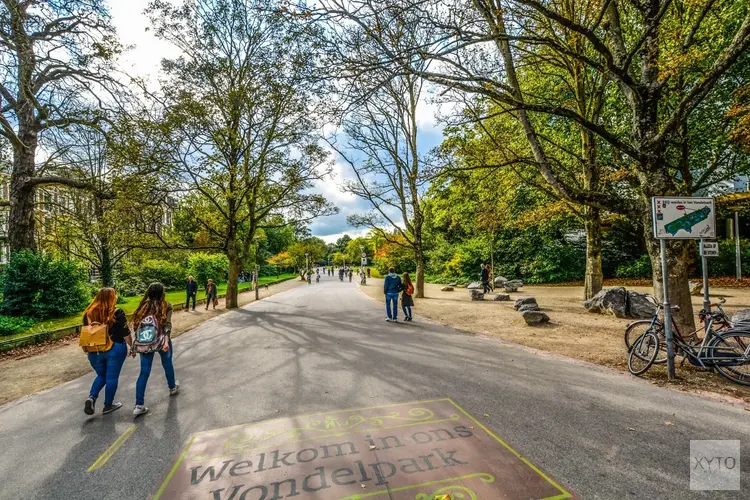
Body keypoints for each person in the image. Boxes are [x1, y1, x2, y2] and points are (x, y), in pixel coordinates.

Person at [131, 283, 179, 417]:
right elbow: (167, 325)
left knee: (144, 372)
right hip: (162, 339)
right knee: (167, 364)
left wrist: (136, 344)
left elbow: (136, 326)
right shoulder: (166, 306)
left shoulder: (143, 307)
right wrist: (166, 340)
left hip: (146, 342)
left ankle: (139, 404)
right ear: (162, 293)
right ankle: (172, 387)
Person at [83, 288, 132, 416]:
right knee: (111, 377)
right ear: (112, 297)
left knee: (102, 375)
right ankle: (108, 405)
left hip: (94, 350)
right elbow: (125, 333)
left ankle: (92, 397)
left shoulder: (88, 313)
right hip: (114, 348)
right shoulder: (116, 312)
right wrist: (131, 345)